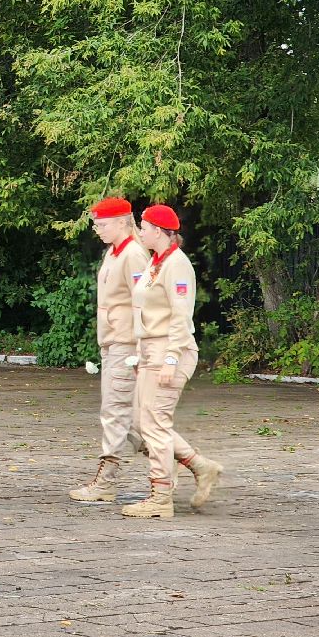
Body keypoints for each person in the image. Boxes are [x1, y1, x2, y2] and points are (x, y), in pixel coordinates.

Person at [121, 204, 224, 519]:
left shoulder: (177, 265)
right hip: (152, 350)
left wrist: (169, 359)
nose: (140, 232)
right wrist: (140, 353)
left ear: (157, 230)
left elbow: (180, 317)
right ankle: (200, 466)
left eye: (143, 227)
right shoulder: (157, 262)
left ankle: (160, 498)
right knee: (141, 424)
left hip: (170, 350)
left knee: (155, 426)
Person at [69, 196, 151, 503]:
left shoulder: (133, 255)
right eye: (96, 224)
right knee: (130, 419)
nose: (97, 230)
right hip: (113, 340)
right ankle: (192, 463)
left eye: (101, 224)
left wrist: (141, 348)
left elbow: (144, 303)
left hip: (126, 343)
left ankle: (106, 481)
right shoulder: (114, 252)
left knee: (115, 412)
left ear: (121, 222)